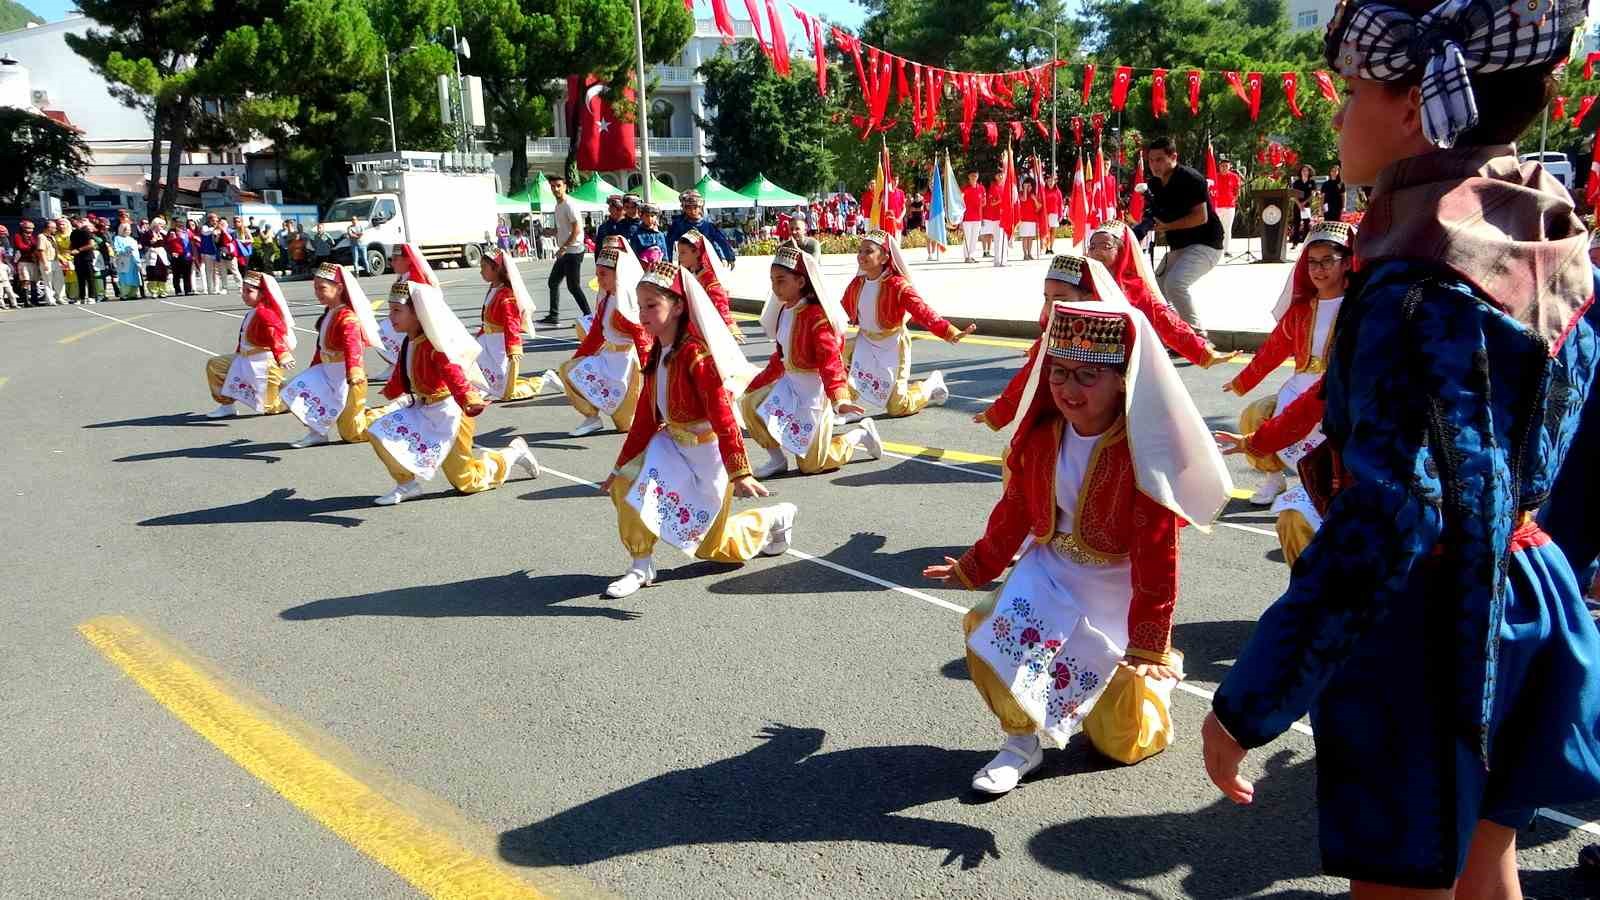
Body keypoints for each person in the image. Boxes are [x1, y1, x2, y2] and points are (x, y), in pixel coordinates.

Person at [1202, 0, 1600, 891]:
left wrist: (1252, 698)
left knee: (1401, 883)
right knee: (1487, 864)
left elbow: (1391, 518)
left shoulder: (1414, 282)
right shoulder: (1555, 232)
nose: (1338, 114)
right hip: (1534, 588)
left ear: (1418, 103)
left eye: (1350, 92)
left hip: (1431, 624)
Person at [925, 297, 1231, 795]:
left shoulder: (1142, 453)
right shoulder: (1042, 437)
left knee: (1119, 744)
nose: (1069, 388)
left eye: (1088, 376)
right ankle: (1020, 743)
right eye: (1059, 373)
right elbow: (1015, 513)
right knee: (985, 623)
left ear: (1121, 380)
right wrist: (973, 566)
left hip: (1113, 589)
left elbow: (1158, 553)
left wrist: (1150, 641)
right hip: (1049, 568)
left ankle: (1153, 682)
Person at [598, 259, 795, 599]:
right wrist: (618, 466)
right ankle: (640, 565)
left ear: (676, 307)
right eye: (639, 305)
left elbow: (722, 416)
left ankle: (773, 519)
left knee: (713, 549)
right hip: (671, 446)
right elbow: (646, 418)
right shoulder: (657, 351)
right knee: (629, 481)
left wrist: (739, 472)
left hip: (707, 457)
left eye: (651, 305)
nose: (642, 314)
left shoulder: (696, 356)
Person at [365, 278, 541, 505]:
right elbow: (403, 372)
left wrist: (468, 398)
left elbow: (454, 374)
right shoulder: (411, 341)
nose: (391, 316)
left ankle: (512, 454)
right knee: (379, 431)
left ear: (417, 313)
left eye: (397, 310)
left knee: (466, 481)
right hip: (423, 408)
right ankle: (406, 484)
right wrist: (388, 397)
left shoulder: (435, 347)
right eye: (391, 310)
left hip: (450, 413)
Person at [1216, 221, 1354, 508]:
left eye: (1327, 261)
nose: (1318, 269)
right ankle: (1274, 477)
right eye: (1312, 262)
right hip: (1298, 386)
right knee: (1255, 415)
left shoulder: (1360, 309)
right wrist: (1243, 380)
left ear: (1347, 262)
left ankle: (1324, 490)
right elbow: (1274, 348)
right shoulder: (1301, 311)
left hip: (1340, 392)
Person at [741, 246, 883, 478]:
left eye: (781, 281)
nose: (775, 287)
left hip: (813, 393)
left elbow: (830, 363)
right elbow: (780, 357)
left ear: (800, 281)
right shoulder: (784, 311)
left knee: (812, 466)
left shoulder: (817, 317)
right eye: (772, 281)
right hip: (789, 386)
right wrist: (753, 384)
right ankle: (776, 460)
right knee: (750, 403)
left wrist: (840, 399)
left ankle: (858, 435)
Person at [841, 229, 975, 418]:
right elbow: (844, 307)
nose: (861, 256)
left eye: (868, 251)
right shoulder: (857, 284)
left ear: (884, 257)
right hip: (864, 342)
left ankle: (932, 384)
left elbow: (922, 310)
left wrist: (949, 331)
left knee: (897, 407)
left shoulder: (898, 285)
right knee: (837, 356)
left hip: (892, 346)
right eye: (860, 251)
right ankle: (842, 406)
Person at [1084, 224, 1235, 368]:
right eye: (1092, 247)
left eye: (1106, 247)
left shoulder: (1132, 288)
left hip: (1118, 363)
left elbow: (1165, 320)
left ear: (1122, 250)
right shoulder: (1080, 280)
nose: (1097, 252)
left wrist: (1202, 352)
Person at [283, 262, 383, 448]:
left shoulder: (347, 317)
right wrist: (314, 366)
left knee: (351, 433)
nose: (317, 292)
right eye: (315, 288)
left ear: (339, 288)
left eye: (322, 288)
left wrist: (353, 371)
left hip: (344, 375)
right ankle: (317, 433)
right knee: (294, 390)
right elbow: (321, 346)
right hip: (325, 370)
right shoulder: (330, 312)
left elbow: (353, 345)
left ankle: (384, 416)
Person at [559, 241, 650, 436]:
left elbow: (643, 339)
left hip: (626, 367)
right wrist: (579, 357)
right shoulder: (606, 298)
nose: (599, 279)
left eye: (603, 274)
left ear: (619, 274)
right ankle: (592, 417)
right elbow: (596, 334)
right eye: (597, 273)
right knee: (569, 370)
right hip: (608, 359)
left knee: (624, 425)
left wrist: (649, 372)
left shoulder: (628, 305)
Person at [1144, 136, 1224, 336]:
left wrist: (1168, 226)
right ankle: (1177, 334)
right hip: (1179, 246)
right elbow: (1156, 214)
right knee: (1157, 288)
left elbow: (1201, 217)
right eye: (1151, 160)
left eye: (1160, 159)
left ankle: (1197, 336)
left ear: (1174, 157)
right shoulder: (1154, 184)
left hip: (1206, 244)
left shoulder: (1190, 178)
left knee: (1175, 284)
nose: (1154, 165)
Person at [203, 271, 297, 419]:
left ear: (263, 294)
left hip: (264, 364)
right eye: (243, 290)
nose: (244, 294)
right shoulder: (253, 312)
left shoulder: (265, 313)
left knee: (270, 408)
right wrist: (237, 354)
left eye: (249, 291)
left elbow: (274, 335)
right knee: (216, 365)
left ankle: (292, 391)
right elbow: (244, 339)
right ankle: (227, 406)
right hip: (245, 360)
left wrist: (282, 355)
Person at [475, 247, 560, 401]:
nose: (480, 271)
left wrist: (513, 348)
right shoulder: (493, 289)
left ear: (496, 269)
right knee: (490, 379)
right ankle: (487, 389)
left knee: (507, 393)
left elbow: (511, 322)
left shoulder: (506, 294)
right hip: (487, 343)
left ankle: (545, 379)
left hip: (500, 346)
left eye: (484, 267)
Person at [675, 229, 740, 338]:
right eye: (679, 253)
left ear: (696, 252)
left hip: (708, 329)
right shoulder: (691, 275)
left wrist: (728, 325)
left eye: (683, 253)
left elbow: (720, 303)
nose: (679, 257)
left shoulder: (709, 278)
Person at [541, 175, 589, 325]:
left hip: (573, 251)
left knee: (573, 286)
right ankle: (553, 315)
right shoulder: (558, 205)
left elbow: (576, 230)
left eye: (558, 186)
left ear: (565, 186)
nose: (555, 189)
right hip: (566, 251)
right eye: (553, 186)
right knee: (553, 282)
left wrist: (563, 248)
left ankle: (588, 316)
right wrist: (552, 231)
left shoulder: (569, 204)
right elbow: (565, 228)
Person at [665, 190, 737, 266]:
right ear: (683, 208)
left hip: (706, 263)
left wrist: (728, 257)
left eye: (695, 207)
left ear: (700, 207)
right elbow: (668, 243)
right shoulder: (679, 224)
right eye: (688, 207)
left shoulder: (708, 225)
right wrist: (668, 262)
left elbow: (720, 241)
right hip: (687, 264)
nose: (692, 211)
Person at [11, 219, 46, 307]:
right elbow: (21, 247)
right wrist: (33, 247)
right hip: (23, 261)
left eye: (32, 228)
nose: (31, 230)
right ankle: (26, 301)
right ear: (23, 228)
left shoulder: (32, 237)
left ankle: (35, 300)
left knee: (34, 281)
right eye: (28, 228)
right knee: (25, 280)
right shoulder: (18, 236)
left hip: (33, 261)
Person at [1213, 158, 1242, 255]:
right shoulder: (1215, 176)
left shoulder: (1234, 177)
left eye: (1226, 166)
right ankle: (1216, 248)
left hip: (1230, 207)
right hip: (1217, 206)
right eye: (1222, 166)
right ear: (1219, 167)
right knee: (1217, 228)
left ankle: (1226, 250)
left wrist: (1235, 199)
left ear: (1229, 167)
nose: (1224, 168)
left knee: (1227, 228)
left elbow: (1237, 190)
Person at [68, 218, 97, 304]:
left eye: (75, 221)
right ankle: (82, 297)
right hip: (77, 258)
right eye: (71, 222)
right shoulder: (73, 233)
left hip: (87, 257)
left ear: (80, 222)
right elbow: (71, 244)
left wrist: (79, 250)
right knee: (80, 279)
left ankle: (92, 297)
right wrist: (70, 250)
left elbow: (91, 244)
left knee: (90, 278)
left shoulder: (86, 231)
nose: (73, 223)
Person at [961, 171, 987, 263]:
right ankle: (966, 256)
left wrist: (980, 203)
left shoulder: (981, 188)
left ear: (978, 177)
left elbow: (984, 202)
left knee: (975, 238)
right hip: (967, 218)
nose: (973, 177)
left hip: (978, 217)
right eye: (972, 176)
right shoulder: (965, 188)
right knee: (967, 237)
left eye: (975, 176)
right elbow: (960, 200)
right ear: (969, 177)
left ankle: (971, 256)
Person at [112, 224, 142, 300]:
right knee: (125, 277)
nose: (128, 231)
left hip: (133, 260)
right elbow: (116, 249)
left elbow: (136, 250)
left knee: (134, 277)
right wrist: (124, 250)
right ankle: (124, 294)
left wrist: (138, 261)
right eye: (126, 230)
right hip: (124, 260)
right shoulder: (117, 238)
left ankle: (133, 293)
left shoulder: (132, 239)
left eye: (129, 230)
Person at [1289, 164, 1317, 246]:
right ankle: (1295, 243)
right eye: (1303, 170)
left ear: (1309, 172)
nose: (1305, 172)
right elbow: (1293, 195)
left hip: (1306, 206)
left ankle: (1306, 243)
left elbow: (1313, 194)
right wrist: (1299, 204)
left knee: (1306, 224)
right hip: (1297, 205)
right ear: (1300, 172)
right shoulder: (1296, 182)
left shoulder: (1312, 182)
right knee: (1296, 224)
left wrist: (1304, 203)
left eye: (1306, 171)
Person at [37, 220, 61, 305]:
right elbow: (41, 250)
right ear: (48, 228)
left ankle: (59, 297)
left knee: (58, 280)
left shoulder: (52, 237)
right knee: (48, 281)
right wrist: (45, 263)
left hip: (55, 260)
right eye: (53, 228)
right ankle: (50, 300)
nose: (55, 229)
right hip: (47, 261)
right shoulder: (41, 237)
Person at [984, 173, 1006, 264]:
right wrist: (1000, 201)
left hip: (1004, 216)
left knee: (1004, 239)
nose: (1000, 177)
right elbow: (992, 203)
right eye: (998, 175)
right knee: (997, 238)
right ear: (995, 177)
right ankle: (997, 260)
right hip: (996, 217)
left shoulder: (1005, 187)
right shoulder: (993, 187)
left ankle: (1003, 259)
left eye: (1002, 175)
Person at [1018, 180, 1042, 261]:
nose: (1029, 187)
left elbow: (1039, 207)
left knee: (1030, 237)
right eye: (1027, 185)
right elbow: (1023, 199)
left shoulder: (1034, 195)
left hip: (1032, 219)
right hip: (1024, 219)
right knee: (1025, 237)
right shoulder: (1021, 194)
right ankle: (1025, 254)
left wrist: (1035, 199)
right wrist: (1024, 189)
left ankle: (1029, 253)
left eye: (1030, 186)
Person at [1042, 173, 1064, 254]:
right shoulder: (1043, 191)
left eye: (1052, 181)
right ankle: (1046, 248)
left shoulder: (1057, 191)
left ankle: (1051, 247)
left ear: (1055, 182)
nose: (1051, 182)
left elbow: (1060, 203)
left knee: (1053, 231)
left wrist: (1060, 214)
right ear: (1046, 181)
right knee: (1047, 231)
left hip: (1055, 213)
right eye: (1049, 181)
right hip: (1046, 214)